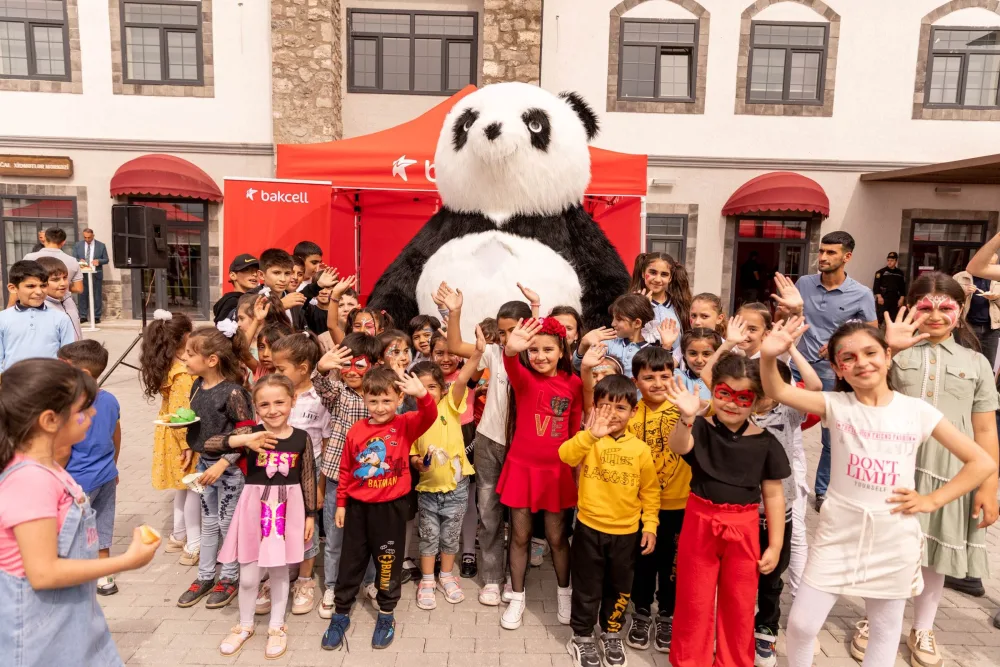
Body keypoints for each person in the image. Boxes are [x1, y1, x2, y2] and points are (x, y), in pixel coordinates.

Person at [760, 317, 996, 667]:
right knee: (801, 624)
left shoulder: (916, 411)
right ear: (838, 368)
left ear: (888, 356)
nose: (861, 363)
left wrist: (932, 500)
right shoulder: (835, 405)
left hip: (893, 536)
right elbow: (779, 391)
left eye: (871, 352)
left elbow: (981, 461)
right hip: (838, 533)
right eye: (848, 358)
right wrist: (768, 357)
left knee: (885, 632)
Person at [847, 275, 999, 665]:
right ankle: (876, 621)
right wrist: (889, 350)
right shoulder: (887, 353)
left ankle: (924, 627)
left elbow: (984, 428)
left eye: (945, 307)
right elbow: (860, 397)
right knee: (887, 549)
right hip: (895, 466)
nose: (934, 315)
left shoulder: (976, 362)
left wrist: (989, 485)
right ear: (910, 305)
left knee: (934, 559)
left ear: (960, 310)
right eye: (925, 306)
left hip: (951, 474)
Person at [0, 359, 159, 666]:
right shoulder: (30, 480)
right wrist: (127, 561)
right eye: (83, 409)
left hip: (71, 624)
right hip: (39, 639)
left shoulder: (51, 467)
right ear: (49, 420)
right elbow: (43, 572)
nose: (94, 413)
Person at [664, 354, 789, 667]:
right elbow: (678, 447)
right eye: (724, 394)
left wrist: (774, 544)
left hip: (744, 527)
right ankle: (689, 660)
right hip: (699, 521)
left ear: (757, 402)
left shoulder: (767, 442)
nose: (732, 404)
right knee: (694, 599)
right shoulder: (700, 428)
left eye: (743, 397)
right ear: (713, 392)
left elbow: (773, 496)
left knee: (740, 602)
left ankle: (734, 661)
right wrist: (686, 417)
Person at [321, 368, 437, 651]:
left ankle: (386, 614)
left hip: (391, 510)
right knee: (350, 562)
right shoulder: (356, 430)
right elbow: (346, 469)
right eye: (373, 401)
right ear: (364, 399)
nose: (380, 407)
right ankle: (340, 613)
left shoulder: (406, 424)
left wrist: (421, 394)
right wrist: (341, 504)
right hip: (358, 509)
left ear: (399, 399)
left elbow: (429, 415)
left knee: (387, 561)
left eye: (386, 401)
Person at [214, 374, 320, 660]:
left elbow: (308, 475)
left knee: (279, 571)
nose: (273, 410)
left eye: (279, 402)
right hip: (253, 510)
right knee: (248, 577)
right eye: (264, 404)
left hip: (288, 511)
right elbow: (210, 444)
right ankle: (245, 624)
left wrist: (310, 515)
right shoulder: (252, 436)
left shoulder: (301, 438)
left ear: (292, 401)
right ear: (255, 407)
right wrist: (245, 437)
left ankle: (276, 626)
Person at [442, 287, 533, 607]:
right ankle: (492, 578)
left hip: (524, 445)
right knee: (489, 512)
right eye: (503, 332)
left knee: (519, 517)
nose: (507, 338)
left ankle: (515, 579)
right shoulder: (494, 353)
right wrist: (455, 312)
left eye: (513, 330)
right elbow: (454, 345)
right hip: (490, 442)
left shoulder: (540, 356)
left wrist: (537, 306)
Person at [774, 232, 878, 511]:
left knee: (831, 436)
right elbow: (782, 321)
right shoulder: (804, 284)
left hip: (836, 373)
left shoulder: (862, 293)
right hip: (797, 368)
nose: (822, 257)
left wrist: (840, 343)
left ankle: (822, 492)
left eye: (831, 253)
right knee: (781, 424)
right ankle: (780, 482)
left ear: (847, 257)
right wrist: (788, 309)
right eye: (821, 251)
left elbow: (871, 332)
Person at [561, 377, 659, 667]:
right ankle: (581, 636)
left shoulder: (640, 449)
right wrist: (591, 434)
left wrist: (650, 525)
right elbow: (565, 456)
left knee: (619, 587)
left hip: (627, 533)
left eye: (620, 407)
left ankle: (612, 631)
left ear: (633, 411)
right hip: (589, 529)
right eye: (605, 407)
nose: (613, 414)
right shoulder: (589, 440)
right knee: (587, 586)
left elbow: (650, 491)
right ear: (594, 408)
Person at [498, 317, 582, 630]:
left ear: (563, 351)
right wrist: (510, 351)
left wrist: (575, 472)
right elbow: (512, 367)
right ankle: (517, 597)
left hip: (556, 473)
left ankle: (564, 592)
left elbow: (575, 432)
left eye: (548, 349)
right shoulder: (523, 379)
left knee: (558, 537)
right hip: (522, 469)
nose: (540, 356)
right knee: (519, 536)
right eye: (533, 350)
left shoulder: (575, 384)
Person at [175, 327, 252, 610]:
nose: (184, 358)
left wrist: (223, 463)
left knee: (227, 524)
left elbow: (247, 434)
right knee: (209, 523)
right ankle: (206, 575)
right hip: (204, 465)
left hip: (229, 470)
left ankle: (229, 578)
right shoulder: (197, 385)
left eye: (191, 353)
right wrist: (188, 444)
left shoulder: (233, 392)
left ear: (212, 360)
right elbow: (197, 422)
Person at [617, 346, 684, 654]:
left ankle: (668, 615)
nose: (657, 383)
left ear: (675, 377)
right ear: (635, 381)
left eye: (664, 376)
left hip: (679, 505)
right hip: (640, 506)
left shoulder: (685, 407)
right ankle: (642, 612)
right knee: (643, 564)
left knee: (673, 565)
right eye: (649, 377)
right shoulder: (631, 413)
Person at [311, 332, 382, 618]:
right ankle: (331, 586)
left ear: (374, 365)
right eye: (347, 365)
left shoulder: (380, 395)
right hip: (337, 478)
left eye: (360, 365)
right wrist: (322, 367)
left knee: (369, 536)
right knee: (336, 537)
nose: (352, 371)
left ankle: (368, 583)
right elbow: (321, 386)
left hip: (372, 479)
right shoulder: (338, 394)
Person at [409, 339, 480, 609]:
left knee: (451, 535)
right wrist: (418, 464)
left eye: (432, 387)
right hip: (427, 489)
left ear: (443, 388)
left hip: (456, 486)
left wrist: (478, 352)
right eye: (421, 388)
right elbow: (413, 454)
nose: (427, 393)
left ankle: (446, 576)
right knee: (428, 535)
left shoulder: (451, 405)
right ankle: (427, 579)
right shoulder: (413, 417)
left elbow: (464, 376)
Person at [268, 332, 332, 616]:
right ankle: (280, 573)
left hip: (310, 470)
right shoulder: (274, 395)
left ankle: (305, 580)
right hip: (276, 470)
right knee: (276, 522)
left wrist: (319, 486)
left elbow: (328, 443)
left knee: (307, 527)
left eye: (281, 369)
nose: (275, 373)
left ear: (303, 368)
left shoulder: (320, 399)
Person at [59, 340, 122, 596]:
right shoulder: (110, 399)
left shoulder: (69, 406)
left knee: (70, 530)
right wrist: (114, 466)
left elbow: (63, 450)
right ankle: (104, 577)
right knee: (102, 524)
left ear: (83, 375)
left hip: (76, 481)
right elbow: (116, 435)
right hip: (106, 475)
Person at [139, 309, 201, 566]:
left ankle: (178, 535)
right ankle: (194, 544)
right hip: (184, 437)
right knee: (195, 488)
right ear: (185, 337)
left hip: (173, 436)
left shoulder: (170, 365)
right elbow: (181, 415)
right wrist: (187, 444)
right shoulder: (184, 373)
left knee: (182, 488)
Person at [0, 260, 75, 372]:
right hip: (13, 385)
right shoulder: (3, 318)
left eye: (43, 286)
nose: (39, 291)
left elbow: (68, 358)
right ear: (13, 288)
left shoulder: (61, 318)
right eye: (31, 286)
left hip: (51, 383)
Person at [628, 252, 690, 355]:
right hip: (640, 364)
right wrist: (641, 310)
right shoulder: (629, 303)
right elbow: (627, 340)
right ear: (643, 273)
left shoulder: (680, 305)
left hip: (675, 367)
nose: (657, 279)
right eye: (652, 272)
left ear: (670, 278)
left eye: (664, 274)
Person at [21, 228, 83, 306]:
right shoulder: (73, 261)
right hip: (62, 303)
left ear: (45, 239)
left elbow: (20, 283)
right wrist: (64, 287)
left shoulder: (29, 258)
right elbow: (78, 288)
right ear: (63, 242)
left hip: (36, 302)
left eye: (64, 277)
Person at [36, 255, 82, 341]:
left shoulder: (68, 299)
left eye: (65, 278)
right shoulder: (40, 309)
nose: (63, 283)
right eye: (55, 280)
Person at [72, 228, 110, 324]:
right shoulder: (78, 245)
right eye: (85, 237)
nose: (87, 239)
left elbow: (106, 259)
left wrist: (99, 261)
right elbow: (74, 258)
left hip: (96, 274)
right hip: (82, 274)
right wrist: (80, 261)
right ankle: (83, 316)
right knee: (82, 295)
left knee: (97, 295)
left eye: (89, 237)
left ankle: (96, 316)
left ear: (93, 236)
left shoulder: (101, 245)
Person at [213, 254, 259, 324]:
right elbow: (225, 333)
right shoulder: (232, 302)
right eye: (247, 270)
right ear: (233, 276)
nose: (255, 274)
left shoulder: (257, 298)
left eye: (257, 271)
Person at [872, 251, 906, 324]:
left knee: (894, 319)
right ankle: (879, 333)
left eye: (892, 261)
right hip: (883, 298)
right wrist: (879, 297)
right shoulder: (880, 272)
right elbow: (876, 286)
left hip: (895, 299)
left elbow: (902, 287)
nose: (889, 262)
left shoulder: (900, 273)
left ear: (896, 261)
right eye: (888, 260)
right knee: (880, 318)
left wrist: (902, 298)